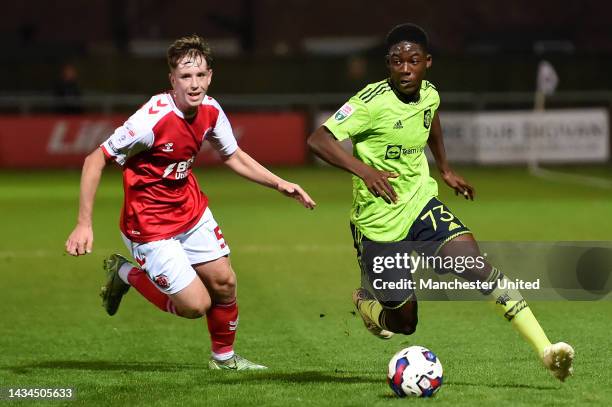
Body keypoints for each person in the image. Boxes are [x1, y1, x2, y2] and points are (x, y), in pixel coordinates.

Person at [307, 23, 573, 382]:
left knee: (476, 266)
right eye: (397, 61)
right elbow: (318, 139)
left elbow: (432, 124)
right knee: (405, 322)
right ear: (388, 64)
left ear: (427, 62)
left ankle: (546, 350)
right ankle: (367, 305)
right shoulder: (368, 103)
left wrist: (445, 169)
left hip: (421, 205)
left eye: (413, 61)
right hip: (378, 224)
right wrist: (364, 171)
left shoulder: (430, 94)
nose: (405, 69)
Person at [65, 34, 316, 370]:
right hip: (150, 226)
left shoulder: (210, 109)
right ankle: (124, 273)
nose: (194, 84)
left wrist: (280, 184)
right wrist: (84, 223)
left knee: (225, 283)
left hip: (190, 212)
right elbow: (94, 160)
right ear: (172, 80)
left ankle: (223, 360)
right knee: (194, 306)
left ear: (210, 76)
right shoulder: (151, 119)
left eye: (200, 75)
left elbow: (233, 155)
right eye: (185, 77)